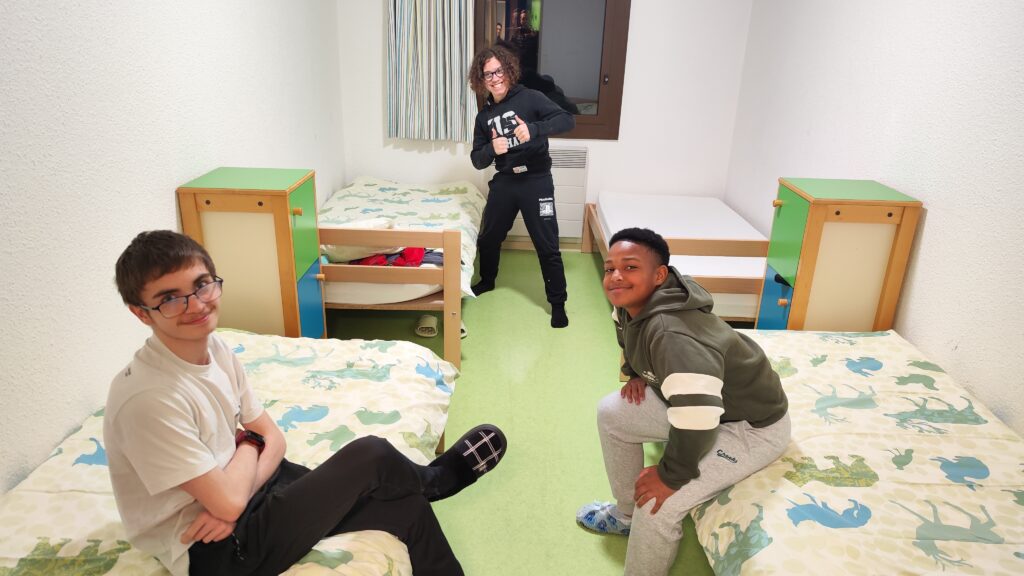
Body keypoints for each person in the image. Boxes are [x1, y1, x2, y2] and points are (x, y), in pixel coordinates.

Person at [104, 230, 507, 576]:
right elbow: (235, 484)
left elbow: (274, 440)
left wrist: (243, 470)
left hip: (246, 499)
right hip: (216, 551)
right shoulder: (148, 399)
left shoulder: (217, 348)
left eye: (202, 285)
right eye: (170, 299)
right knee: (370, 454)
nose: (195, 304)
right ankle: (436, 480)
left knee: (408, 508)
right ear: (142, 314)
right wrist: (250, 446)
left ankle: (428, 488)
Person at [576, 228, 790, 575]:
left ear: (659, 275)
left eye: (630, 267)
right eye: (610, 268)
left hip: (750, 427)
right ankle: (626, 516)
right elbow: (628, 336)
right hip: (710, 408)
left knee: (656, 503)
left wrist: (670, 476)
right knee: (612, 412)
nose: (615, 276)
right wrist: (636, 373)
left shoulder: (672, 334)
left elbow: (698, 419)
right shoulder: (631, 305)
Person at [468, 44, 575, 328]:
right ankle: (487, 280)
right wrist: (491, 149)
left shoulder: (531, 97)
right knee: (488, 238)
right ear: (481, 80)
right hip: (505, 181)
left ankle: (558, 303)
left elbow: (567, 120)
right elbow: (477, 160)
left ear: (509, 71)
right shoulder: (484, 117)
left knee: (547, 245)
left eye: (499, 71)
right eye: (488, 74)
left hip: (536, 180)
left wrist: (534, 129)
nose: (495, 78)